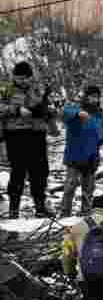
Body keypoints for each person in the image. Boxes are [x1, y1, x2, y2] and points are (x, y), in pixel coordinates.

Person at [0, 61, 57, 218]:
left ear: (30, 77)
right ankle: (13, 210)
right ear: (14, 77)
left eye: (25, 78)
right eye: (19, 78)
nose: (22, 81)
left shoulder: (38, 90)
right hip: (16, 135)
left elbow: (50, 108)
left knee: (40, 172)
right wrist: (17, 110)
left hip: (37, 135)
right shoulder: (6, 90)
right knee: (18, 171)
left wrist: (48, 111)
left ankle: (40, 206)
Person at [60, 84, 103, 217]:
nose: (95, 100)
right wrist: (78, 113)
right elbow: (64, 113)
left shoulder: (99, 115)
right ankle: (65, 212)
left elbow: (101, 134)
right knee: (71, 185)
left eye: (97, 97)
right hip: (74, 155)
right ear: (85, 97)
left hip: (91, 156)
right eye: (92, 97)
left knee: (89, 188)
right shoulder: (75, 109)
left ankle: (86, 213)